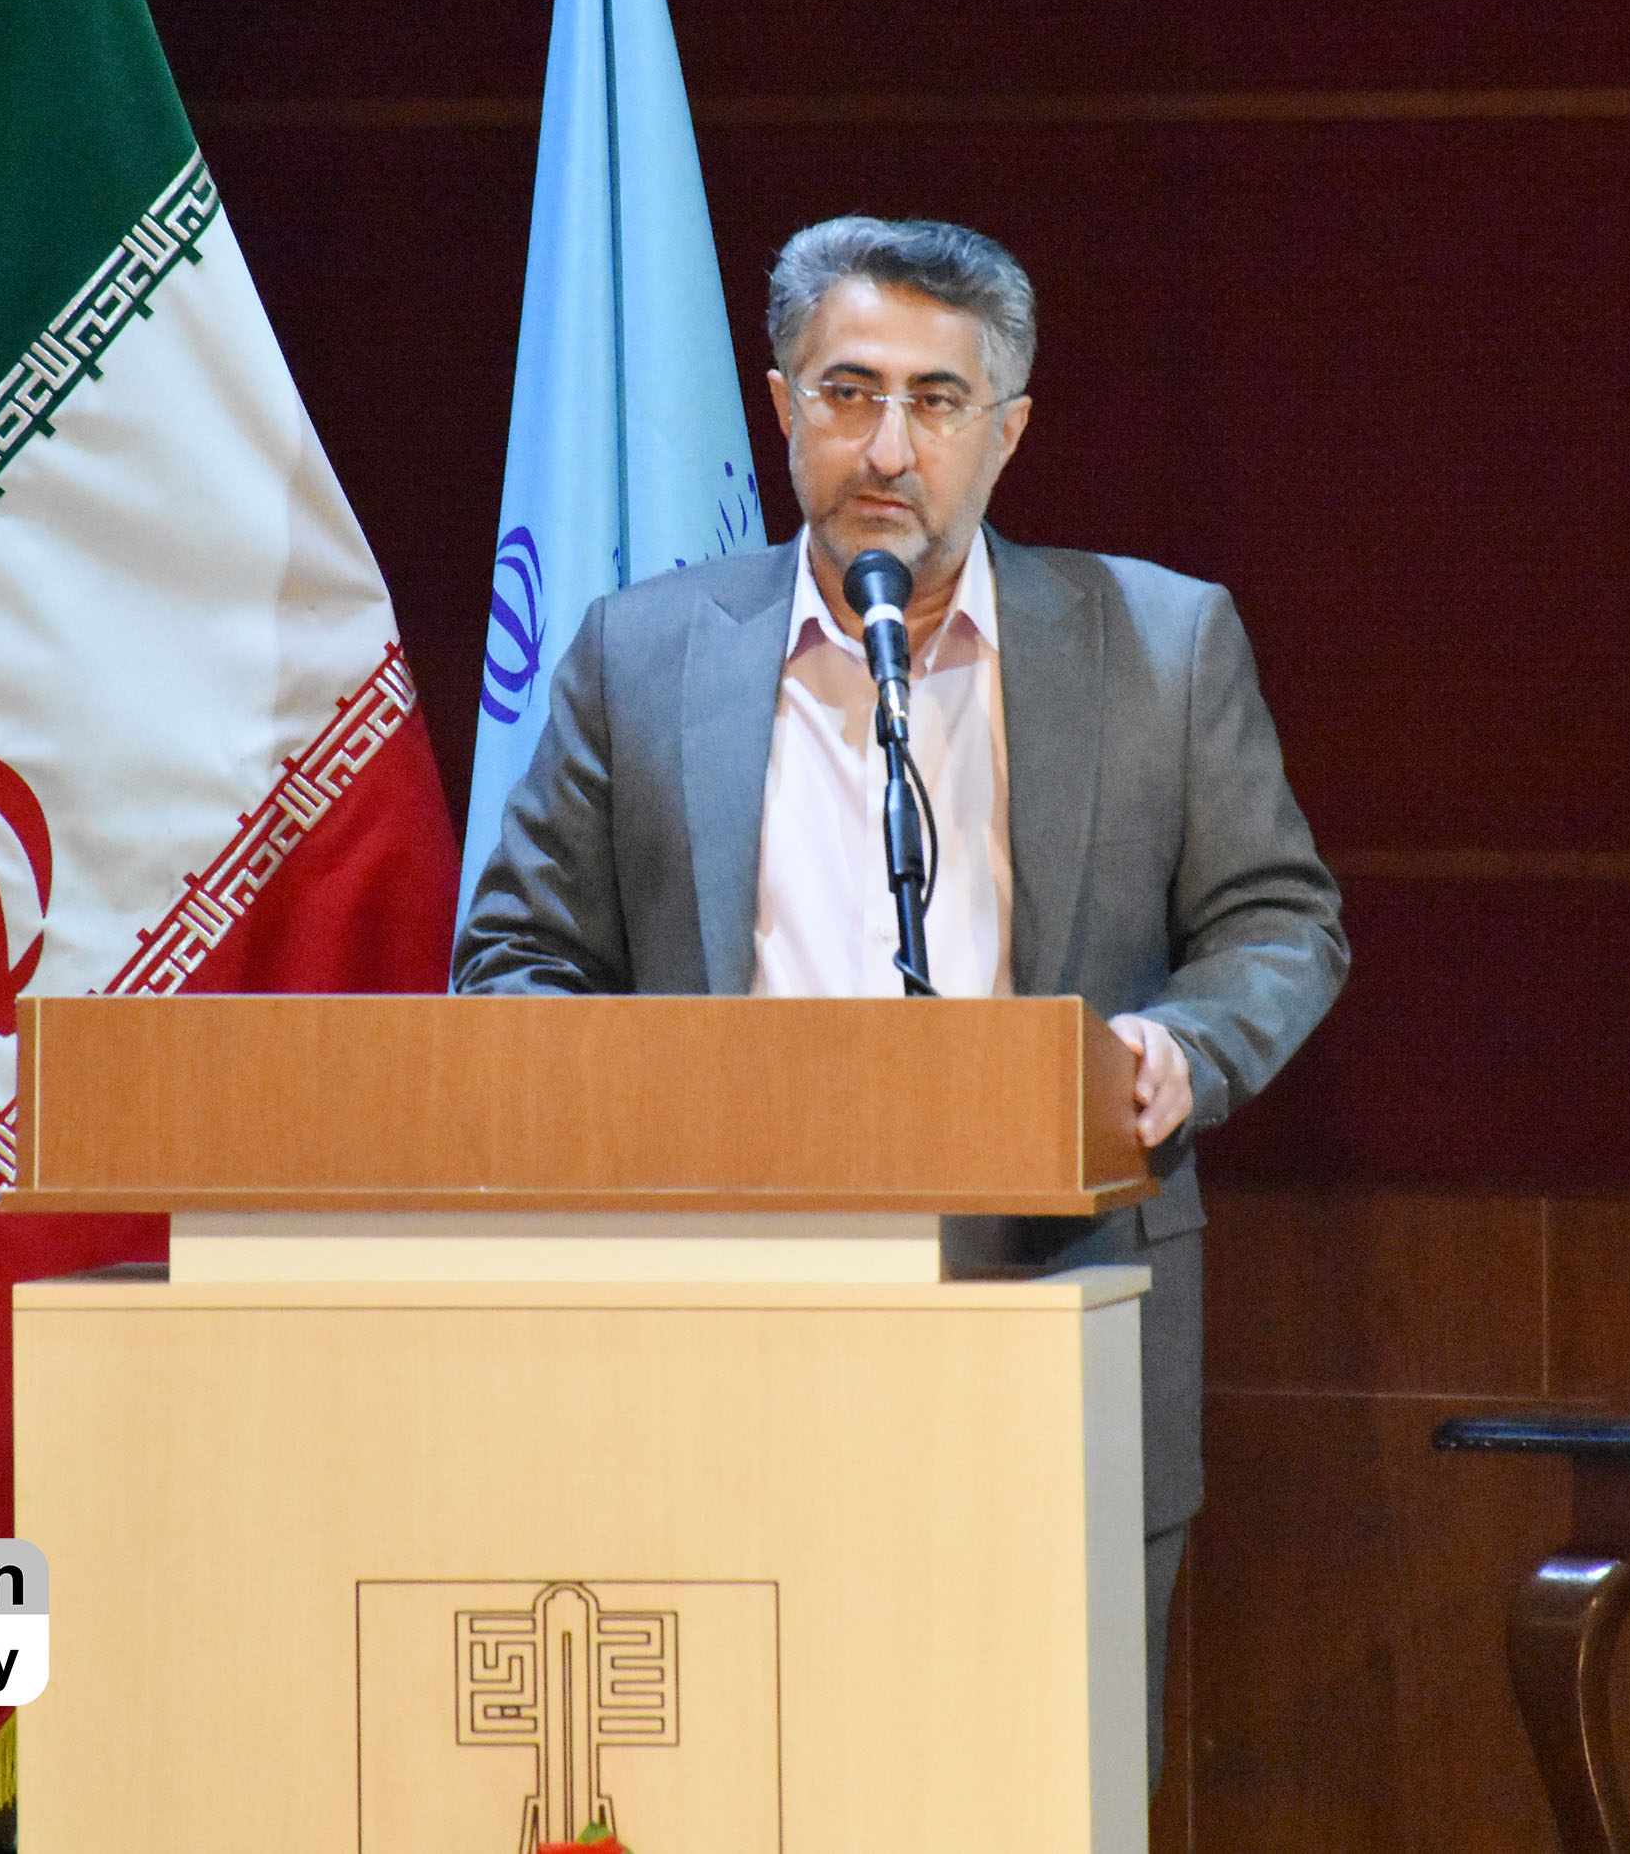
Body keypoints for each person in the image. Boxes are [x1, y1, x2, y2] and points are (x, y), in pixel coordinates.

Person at [455, 213, 1346, 1778]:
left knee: (1033, 1781)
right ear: (779, 406)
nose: (886, 447)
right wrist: (638, 1113)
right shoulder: (640, 655)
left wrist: (1176, 1049)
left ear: (1006, 431)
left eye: (935, 401)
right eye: (848, 392)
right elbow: (516, 960)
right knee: (740, 1779)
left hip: (1056, 1311)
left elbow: (1277, 921)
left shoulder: (1158, 641)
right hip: (711, 1331)